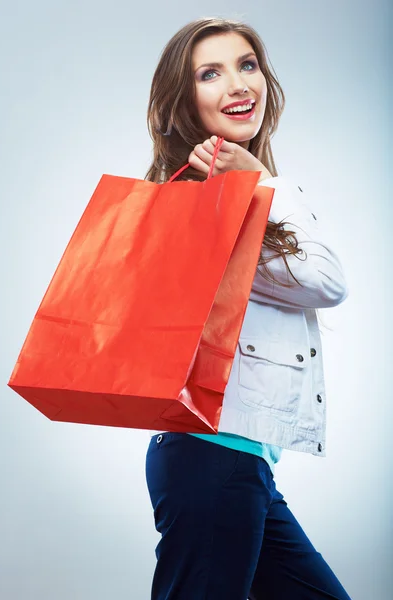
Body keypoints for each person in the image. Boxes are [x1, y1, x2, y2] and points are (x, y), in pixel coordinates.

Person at [145, 17, 351, 600]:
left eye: (247, 65)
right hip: (213, 458)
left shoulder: (236, 197)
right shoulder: (204, 205)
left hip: (238, 462)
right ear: (185, 101)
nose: (237, 84)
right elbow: (327, 281)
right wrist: (265, 181)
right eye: (210, 74)